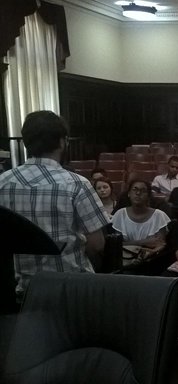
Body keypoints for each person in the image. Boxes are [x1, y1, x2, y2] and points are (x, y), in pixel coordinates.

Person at [0, 111, 108, 298]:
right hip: (71, 288)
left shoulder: (2, 182)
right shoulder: (77, 183)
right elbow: (97, 244)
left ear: (26, 142)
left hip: (21, 290)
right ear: (62, 142)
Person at [111, 179, 170, 250]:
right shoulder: (120, 214)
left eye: (143, 191)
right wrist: (144, 242)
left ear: (148, 195)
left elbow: (160, 244)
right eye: (134, 189)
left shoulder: (159, 216)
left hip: (152, 255)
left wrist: (128, 243)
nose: (138, 193)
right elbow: (117, 244)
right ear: (129, 193)